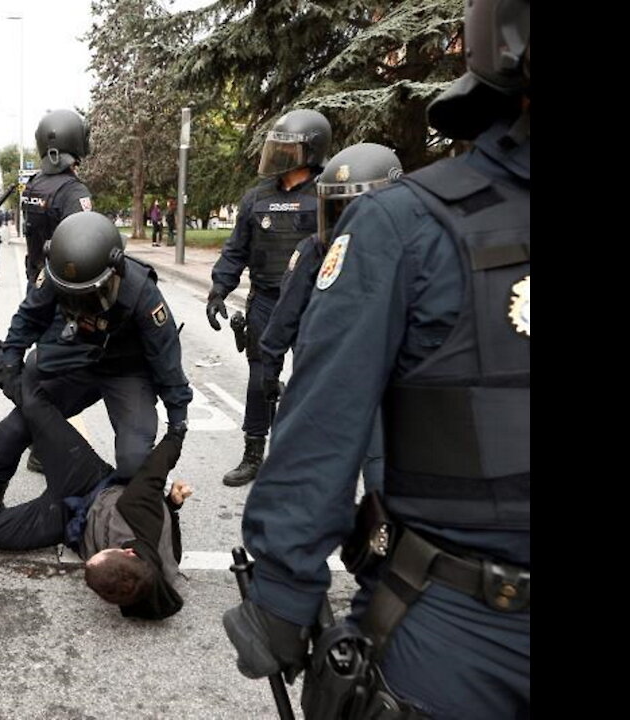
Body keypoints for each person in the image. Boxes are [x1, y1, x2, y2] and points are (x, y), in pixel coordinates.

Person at [222, 1, 529, 717]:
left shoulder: (393, 219)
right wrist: (285, 588)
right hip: (463, 630)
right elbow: (323, 403)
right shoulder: (404, 225)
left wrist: (284, 593)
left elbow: (325, 413)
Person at [0, 363, 191, 620]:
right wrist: (178, 430)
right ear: (128, 552)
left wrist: (171, 506)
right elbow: (156, 469)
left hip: (68, 520)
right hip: (88, 481)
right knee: (34, 405)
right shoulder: (142, 516)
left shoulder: (141, 594)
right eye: (102, 554)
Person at [0, 211, 192, 509]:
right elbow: (29, 317)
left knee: (133, 460)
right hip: (77, 360)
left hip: (127, 371)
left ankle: (136, 508)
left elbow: (166, 359)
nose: (83, 303)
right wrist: (12, 360)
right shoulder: (57, 272)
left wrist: (177, 422)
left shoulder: (142, 293)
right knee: (12, 428)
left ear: (116, 271)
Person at [258, 142, 403, 493]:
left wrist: (271, 368)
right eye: (337, 209)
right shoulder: (319, 251)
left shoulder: (320, 251)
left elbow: (284, 319)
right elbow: (286, 315)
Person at [205, 108, 332, 487]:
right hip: (265, 301)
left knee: (314, 380)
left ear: (311, 152)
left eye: (287, 149)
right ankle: (253, 453)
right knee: (261, 378)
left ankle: (306, 457)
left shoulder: (327, 195)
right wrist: (218, 289)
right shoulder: (256, 197)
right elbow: (235, 249)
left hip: (313, 304)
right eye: (276, 147)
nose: (278, 155)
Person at [21, 109, 94, 288]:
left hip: (36, 281)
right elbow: (85, 246)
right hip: (64, 288)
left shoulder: (32, 185)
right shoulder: (74, 191)